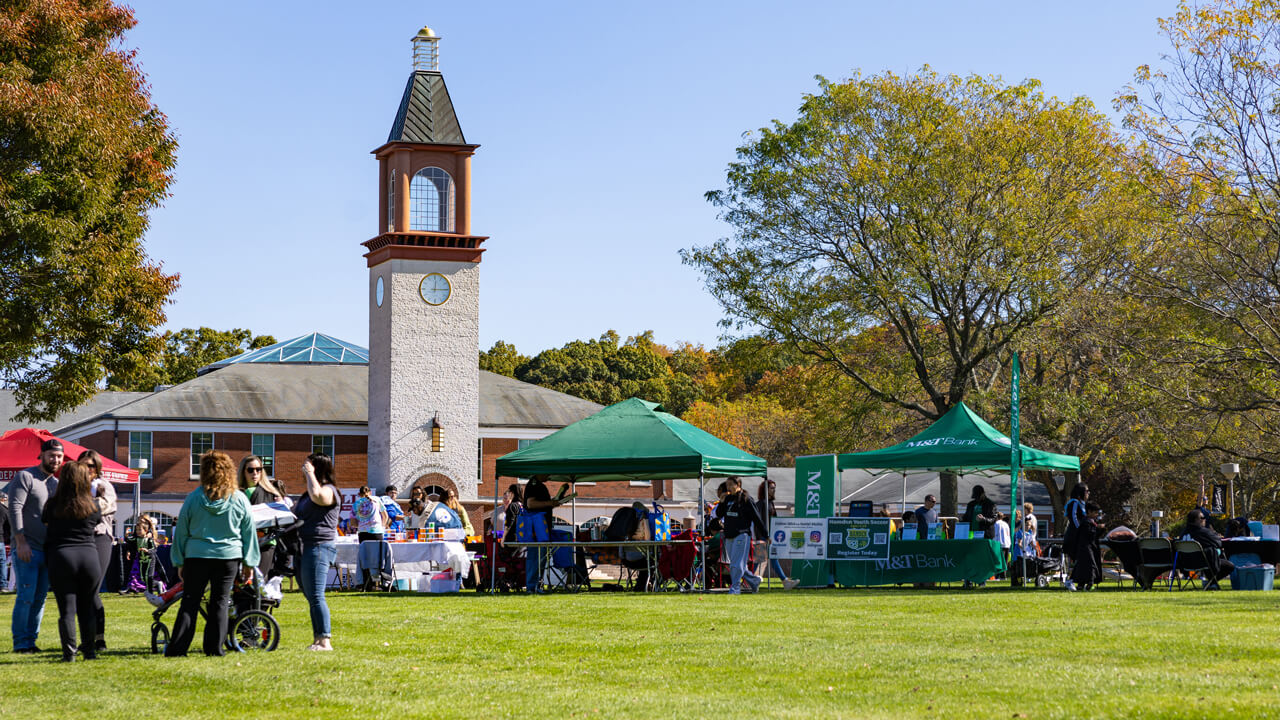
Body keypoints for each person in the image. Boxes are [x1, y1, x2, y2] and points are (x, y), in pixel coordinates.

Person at [166, 451, 259, 657]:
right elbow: (248, 533)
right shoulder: (240, 499)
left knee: (190, 601)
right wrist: (249, 563)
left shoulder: (193, 498)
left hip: (196, 556)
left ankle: (178, 648)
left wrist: (179, 561)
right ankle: (214, 649)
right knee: (220, 602)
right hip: (228, 557)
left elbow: (181, 531)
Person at [42, 460, 109, 661]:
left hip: (61, 556)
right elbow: (97, 520)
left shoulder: (53, 504)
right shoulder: (94, 505)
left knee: (67, 610)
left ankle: (69, 653)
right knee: (87, 607)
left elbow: (45, 522)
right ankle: (89, 652)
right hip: (89, 556)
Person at [7, 437, 64, 653]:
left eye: (59, 456)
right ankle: (20, 643)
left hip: (48, 551)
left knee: (40, 599)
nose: (55, 459)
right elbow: (15, 509)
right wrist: (20, 542)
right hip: (28, 548)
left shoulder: (56, 484)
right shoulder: (25, 477)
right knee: (26, 598)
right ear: (41, 455)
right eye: (52, 455)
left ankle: (31, 641)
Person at [295, 452, 340, 650]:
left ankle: (324, 640)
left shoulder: (329, 490)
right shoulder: (307, 492)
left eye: (308, 466)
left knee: (316, 594)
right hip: (305, 546)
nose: (304, 469)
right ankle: (317, 639)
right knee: (310, 593)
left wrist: (310, 475)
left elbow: (318, 497)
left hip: (320, 546)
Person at [78, 451, 116, 652]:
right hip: (78, 540)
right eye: (83, 465)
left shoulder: (104, 485)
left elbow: (108, 506)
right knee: (82, 591)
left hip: (99, 538)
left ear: (97, 467)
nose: (87, 469)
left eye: (91, 465)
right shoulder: (74, 487)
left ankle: (98, 639)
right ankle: (87, 638)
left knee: (92, 588)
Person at [715, 476, 768, 594]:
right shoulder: (727, 498)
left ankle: (735, 588)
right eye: (727, 485)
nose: (728, 487)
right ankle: (754, 581)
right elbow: (719, 514)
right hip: (729, 535)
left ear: (738, 484)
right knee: (738, 565)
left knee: (736, 564)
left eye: (730, 485)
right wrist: (722, 502)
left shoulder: (746, 499)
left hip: (742, 534)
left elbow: (756, 518)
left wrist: (765, 534)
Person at [522, 475, 573, 592]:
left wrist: (554, 502)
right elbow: (530, 504)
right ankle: (531, 586)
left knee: (541, 558)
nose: (549, 475)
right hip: (536, 530)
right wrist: (550, 503)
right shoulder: (533, 484)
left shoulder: (540, 486)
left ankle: (536, 585)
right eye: (547, 473)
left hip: (543, 529)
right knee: (536, 557)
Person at [237, 455, 283, 576]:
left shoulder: (272, 493)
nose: (255, 473)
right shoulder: (237, 493)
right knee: (243, 584)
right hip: (242, 542)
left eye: (259, 469)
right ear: (243, 472)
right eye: (250, 470)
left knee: (258, 581)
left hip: (266, 542)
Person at [1183, 509, 1235, 590]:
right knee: (1229, 565)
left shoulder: (1183, 533)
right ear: (1197, 520)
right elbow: (1219, 543)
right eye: (1202, 517)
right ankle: (1211, 583)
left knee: (1210, 555)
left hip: (1185, 563)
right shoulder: (1203, 532)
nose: (1205, 519)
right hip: (1203, 562)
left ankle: (1211, 583)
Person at [1069, 502, 1104, 591]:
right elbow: (1090, 534)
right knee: (1091, 565)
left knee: (1083, 566)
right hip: (1085, 547)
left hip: (1089, 547)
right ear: (1089, 512)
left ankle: (1081, 585)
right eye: (1095, 512)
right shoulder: (1086, 522)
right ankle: (1090, 584)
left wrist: (1101, 529)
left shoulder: (1092, 522)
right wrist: (1098, 528)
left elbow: (1095, 535)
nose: (1097, 515)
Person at [1062, 483, 1089, 591]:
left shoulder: (1083, 505)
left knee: (1083, 559)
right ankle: (1070, 580)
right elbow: (1073, 517)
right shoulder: (1074, 502)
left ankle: (1080, 583)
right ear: (1080, 493)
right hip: (1073, 537)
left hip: (1080, 537)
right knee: (1079, 559)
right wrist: (1080, 530)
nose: (1088, 493)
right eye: (1086, 491)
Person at [123, 515, 159, 593]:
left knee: (148, 575)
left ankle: (151, 587)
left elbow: (153, 544)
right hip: (139, 555)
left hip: (148, 557)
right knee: (135, 572)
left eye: (143, 521)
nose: (141, 522)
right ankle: (132, 587)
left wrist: (149, 536)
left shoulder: (149, 533)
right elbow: (131, 542)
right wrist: (129, 551)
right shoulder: (138, 530)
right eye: (140, 520)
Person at [992, 511, 1012, 577]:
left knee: (999, 561)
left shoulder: (996, 524)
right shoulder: (1005, 524)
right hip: (1007, 544)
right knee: (1005, 561)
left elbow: (995, 534)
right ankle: (1004, 575)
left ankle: (998, 575)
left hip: (1000, 544)